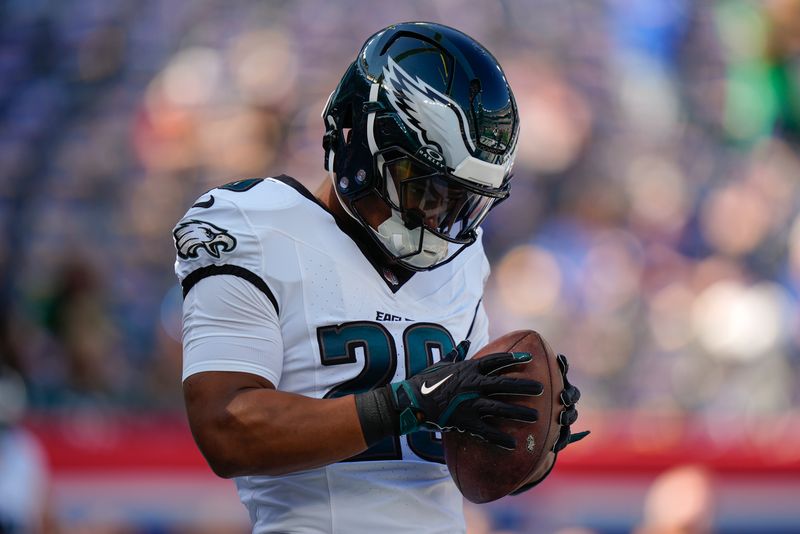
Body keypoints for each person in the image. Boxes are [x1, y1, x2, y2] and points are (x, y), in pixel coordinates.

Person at [174, 21, 585, 534]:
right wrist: (404, 404)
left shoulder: (464, 257)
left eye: (461, 200)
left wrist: (525, 439)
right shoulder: (251, 225)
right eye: (425, 185)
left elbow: (454, 464)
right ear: (360, 144)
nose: (439, 216)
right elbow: (225, 428)